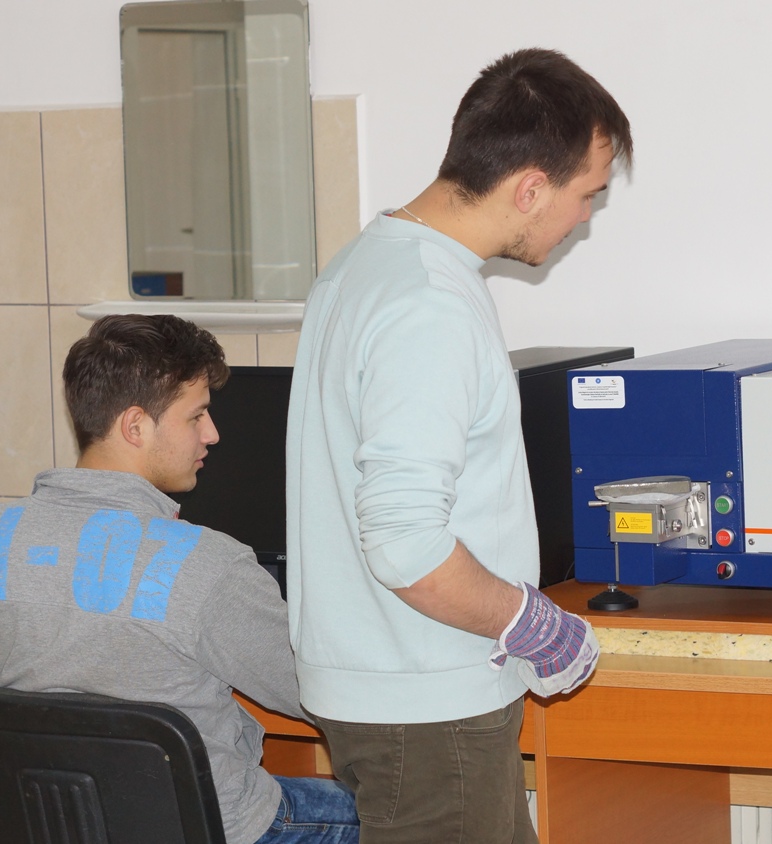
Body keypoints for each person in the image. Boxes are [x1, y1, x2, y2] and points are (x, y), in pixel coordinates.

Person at [286, 47, 631, 843]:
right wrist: (530, 620)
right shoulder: (430, 305)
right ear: (530, 188)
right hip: (427, 703)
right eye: (586, 194)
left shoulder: (368, 265)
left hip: (393, 691)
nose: (584, 217)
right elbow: (405, 542)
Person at [0, 314, 358, 844]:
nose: (212, 434)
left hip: (59, 822)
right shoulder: (208, 564)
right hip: (211, 827)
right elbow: (322, 691)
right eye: (197, 415)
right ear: (136, 426)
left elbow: (8, 692)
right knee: (423, 819)